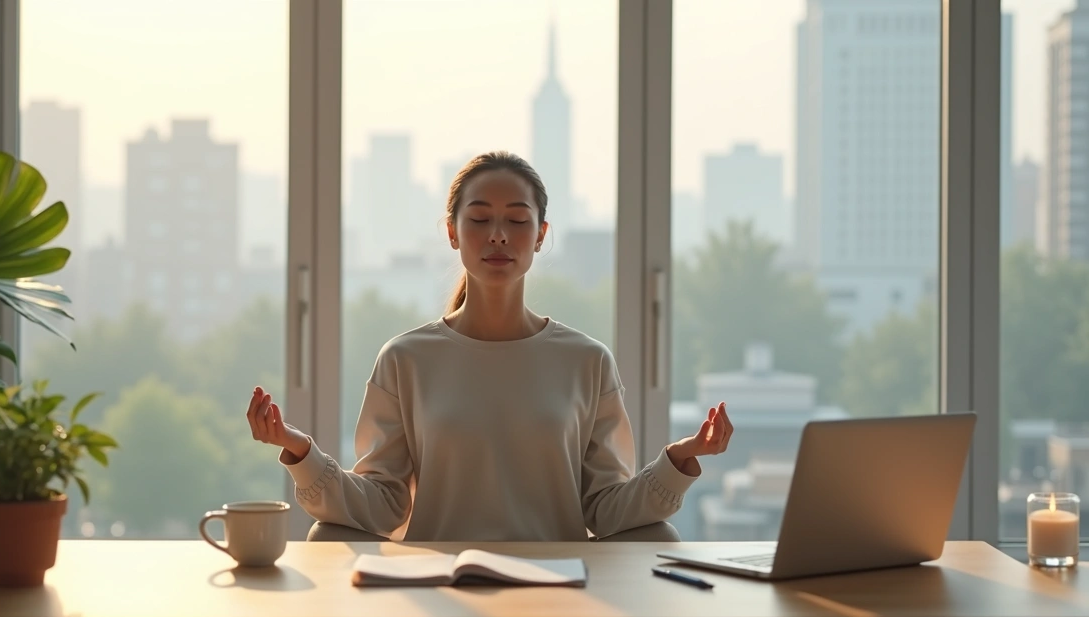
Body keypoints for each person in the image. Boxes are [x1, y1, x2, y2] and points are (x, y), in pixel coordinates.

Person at [245, 151, 734, 542]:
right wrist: (298, 448)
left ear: (541, 236)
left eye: (518, 221)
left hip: (556, 590)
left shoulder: (586, 361)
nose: (498, 235)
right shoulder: (405, 359)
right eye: (479, 219)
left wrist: (679, 460)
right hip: (439, 586)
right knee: (324, 534)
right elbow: (382, 504)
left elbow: (604, 510)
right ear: (453, 233)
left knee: (658, 535)